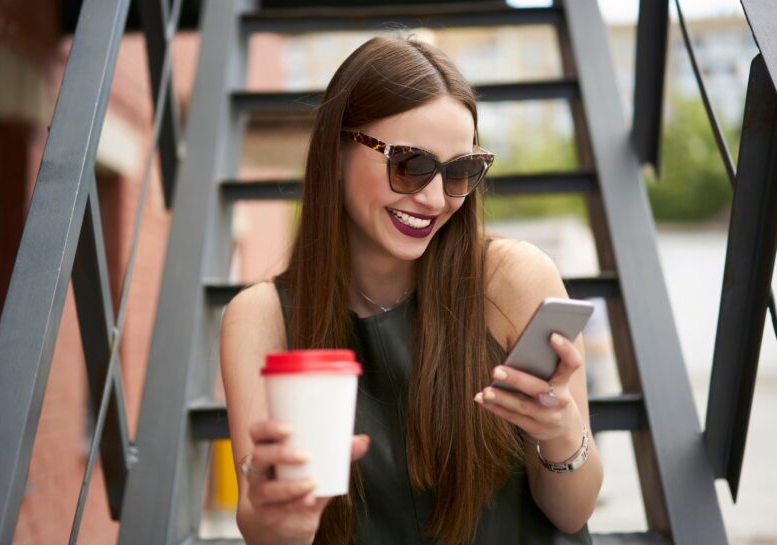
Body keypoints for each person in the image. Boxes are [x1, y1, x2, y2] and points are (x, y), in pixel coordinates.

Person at [220, 36, 603, 545]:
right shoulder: (261, 318)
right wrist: (281, 517)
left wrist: (559, 432)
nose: (434, 198)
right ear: (337, 149)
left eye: (461, 171)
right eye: (409, 164)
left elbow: (572, 514)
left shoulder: (514, 279)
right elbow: (266, 530)